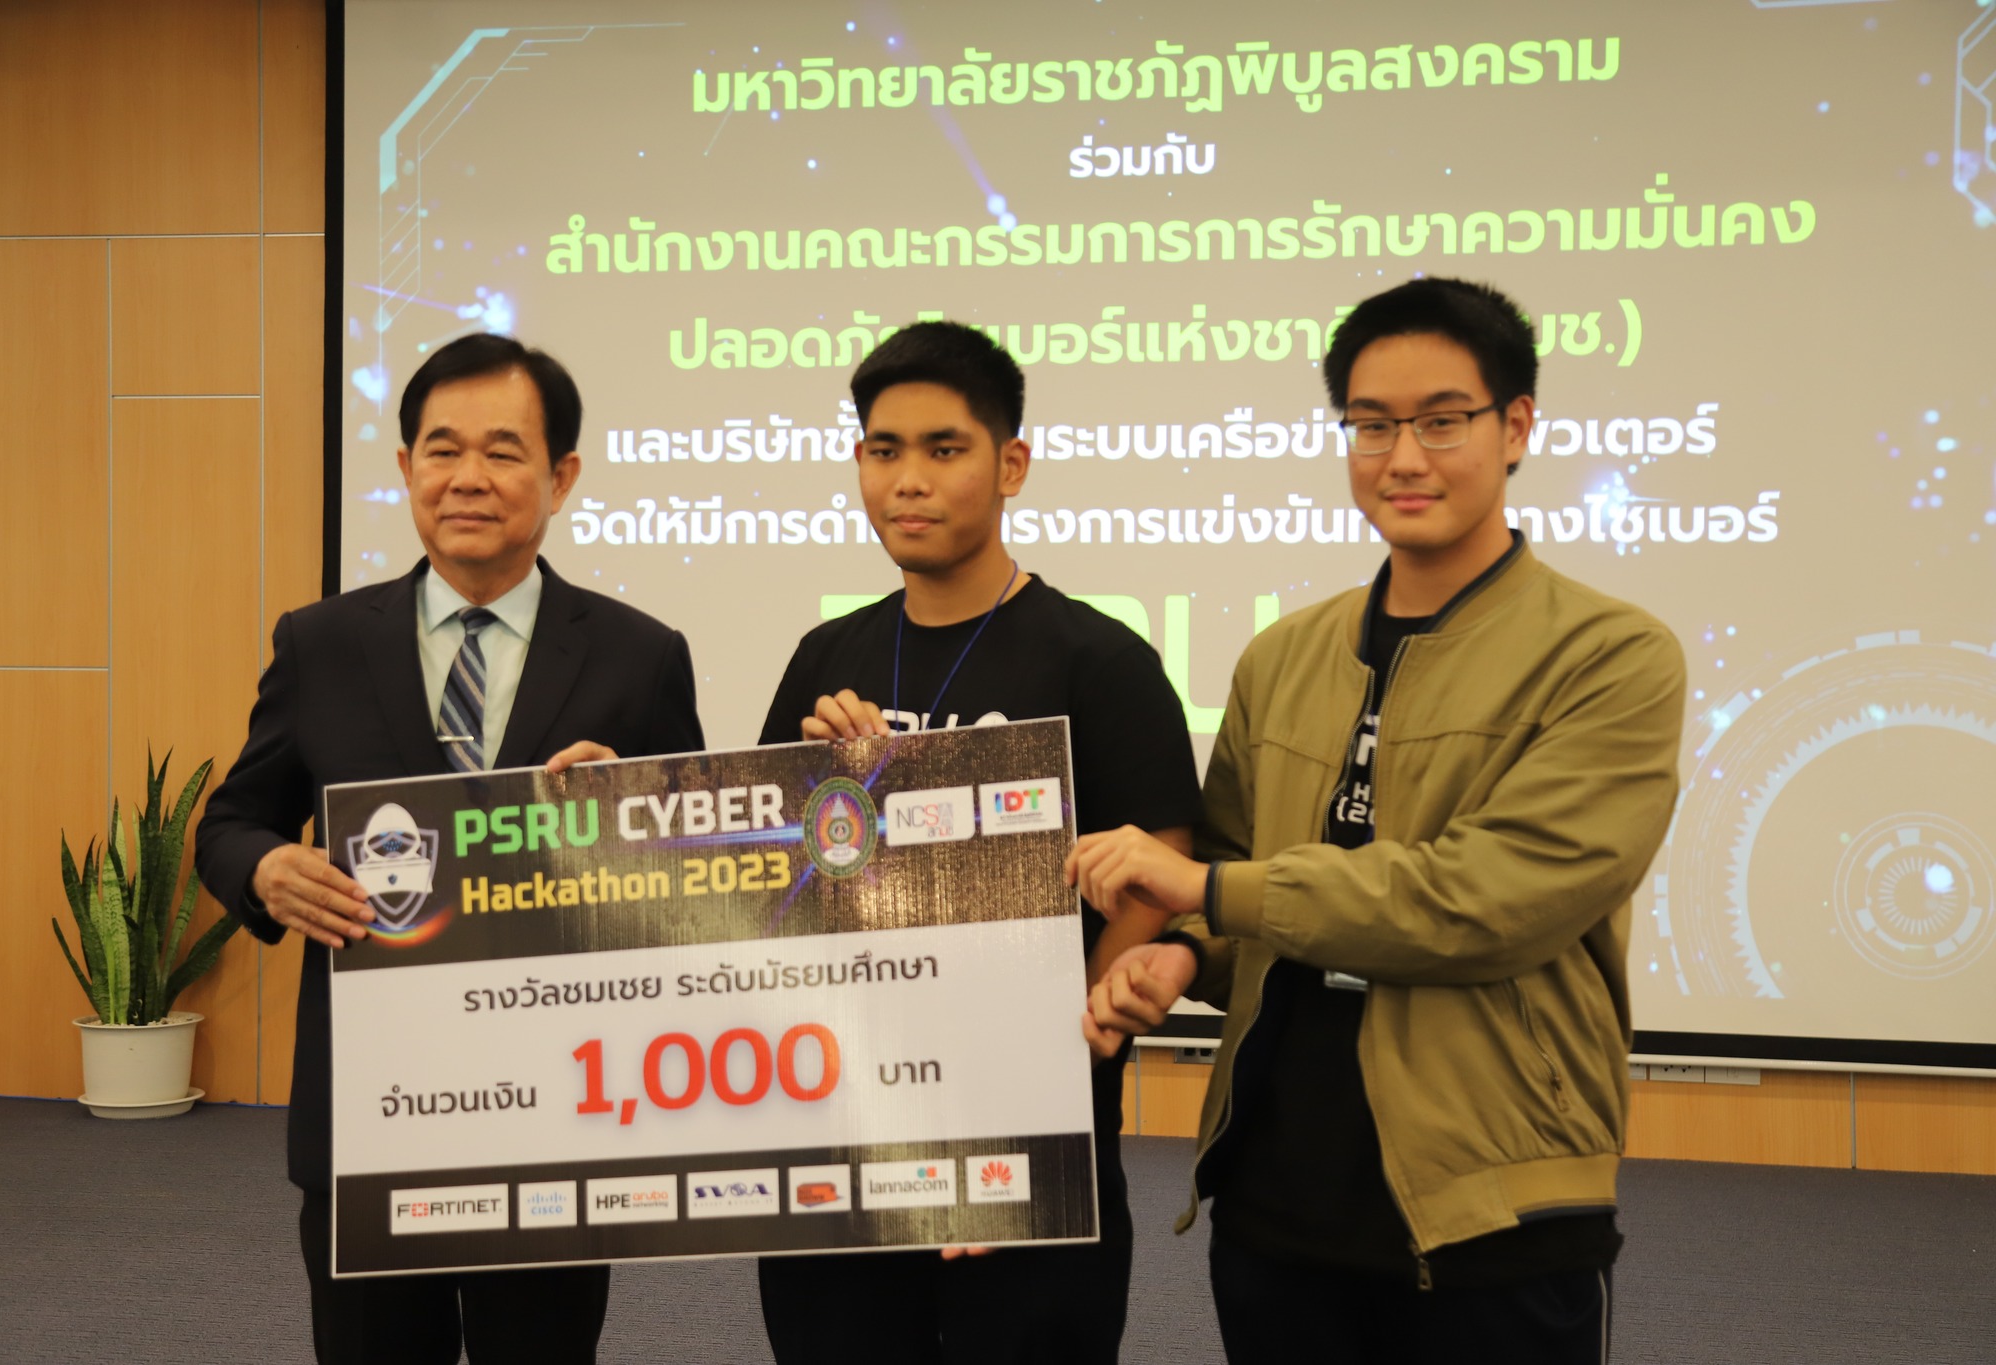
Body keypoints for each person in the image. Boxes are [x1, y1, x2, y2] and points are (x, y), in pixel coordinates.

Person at [1068, 277, 1686, 1364]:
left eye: (1441, 421)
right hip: (1275, 1201)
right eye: (1370, 425)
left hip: (1491, 1205)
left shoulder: (1609, 656)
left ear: (1515, 428)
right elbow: (1241, 888)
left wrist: (1206, 893)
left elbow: (1484, 900)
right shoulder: (1283, 656)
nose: (1403, 456)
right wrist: (1186, 955)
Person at [195, 333, 703, 1365]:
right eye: (442, 448)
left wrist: (635, 814)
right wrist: (264, 868)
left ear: (560, 475)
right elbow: (230, 822)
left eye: (504, 451)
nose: (469, 477)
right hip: (370, 1119)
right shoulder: (320, 643)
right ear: (405, 467)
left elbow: (700, 873)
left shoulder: (640, 656)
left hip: (559, 1122)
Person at [753, 321, 1202, 1364]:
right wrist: (820, 788)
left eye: (943, 448)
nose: (907, 479)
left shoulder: (1099, 659)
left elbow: (1157, 878)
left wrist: (1040, 1074)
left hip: (1027, 1149)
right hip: (842, 1131)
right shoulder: (827, 656)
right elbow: (766, 883)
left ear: (1010, 465)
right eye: (883, 449)